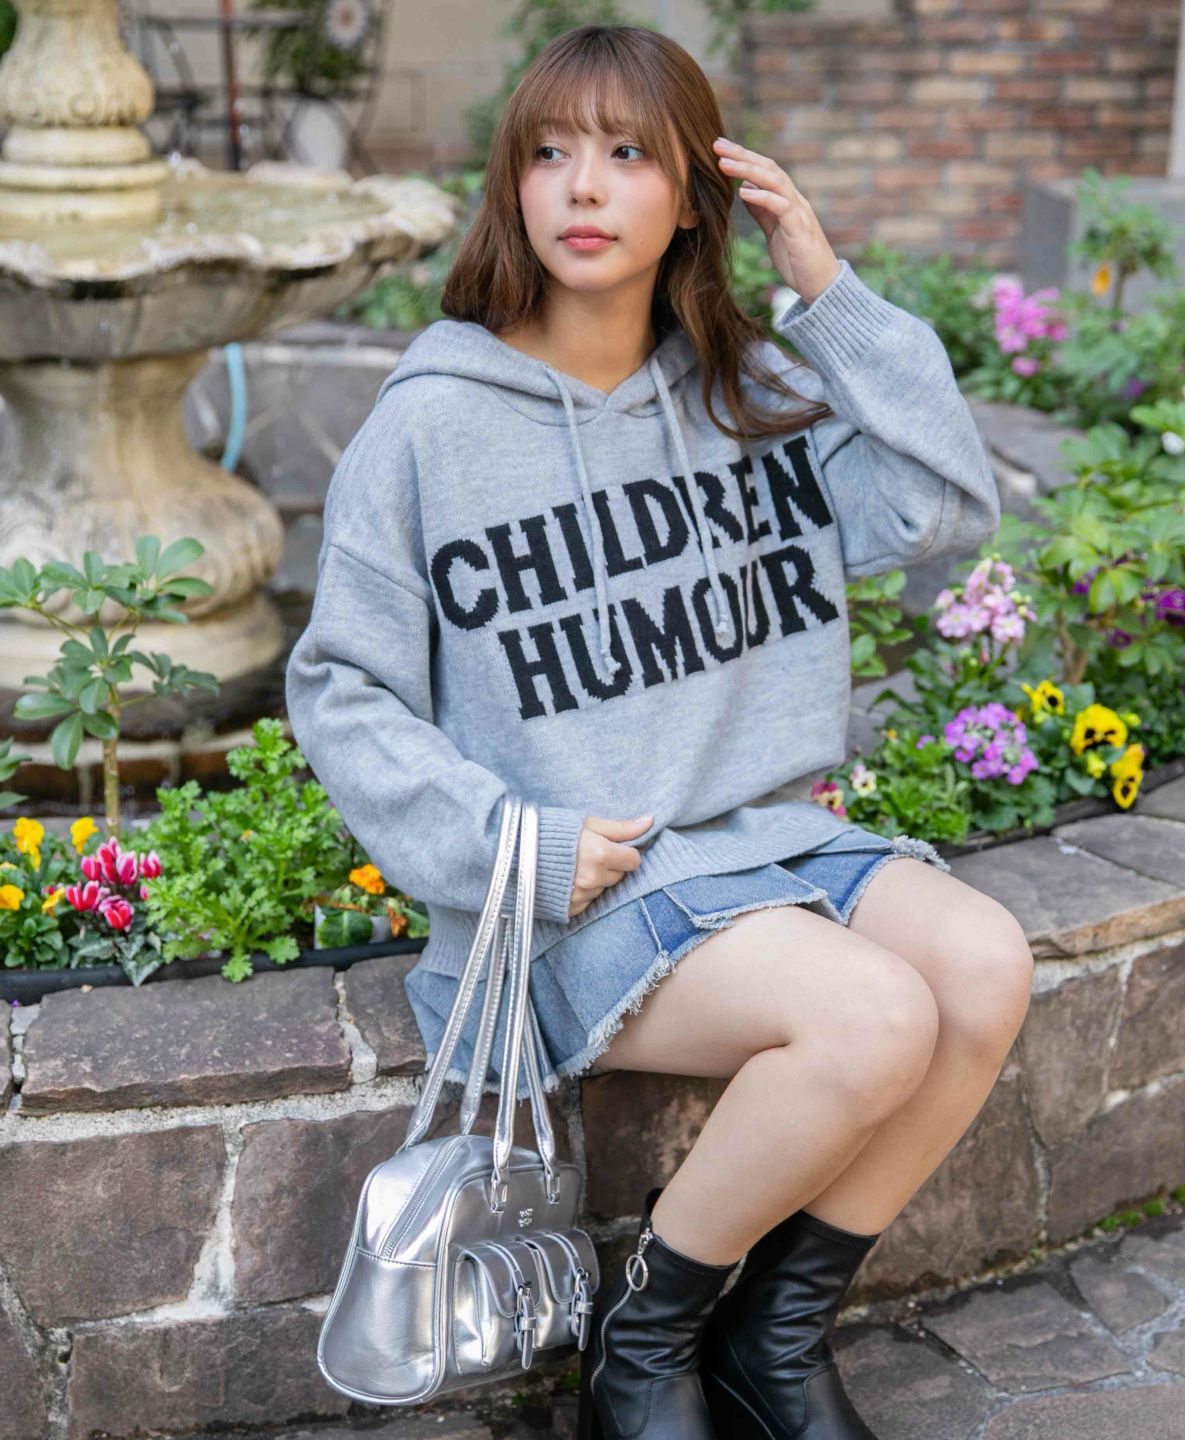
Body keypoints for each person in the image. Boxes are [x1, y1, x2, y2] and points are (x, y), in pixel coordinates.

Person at [285, 23, 1035, 1440]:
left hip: (764, 845)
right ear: (512, 186)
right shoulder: (431, 426)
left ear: (694, 195)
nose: (583, 186)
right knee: (874, 1015)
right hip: (588, 889)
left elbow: (943, 506)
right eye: (551, 153)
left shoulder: (748, 396)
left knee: (985, 966)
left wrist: (825, 289)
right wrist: (508, 841)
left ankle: (774, 1338)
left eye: (628, 154)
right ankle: (639, 1352)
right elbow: (342, 687)